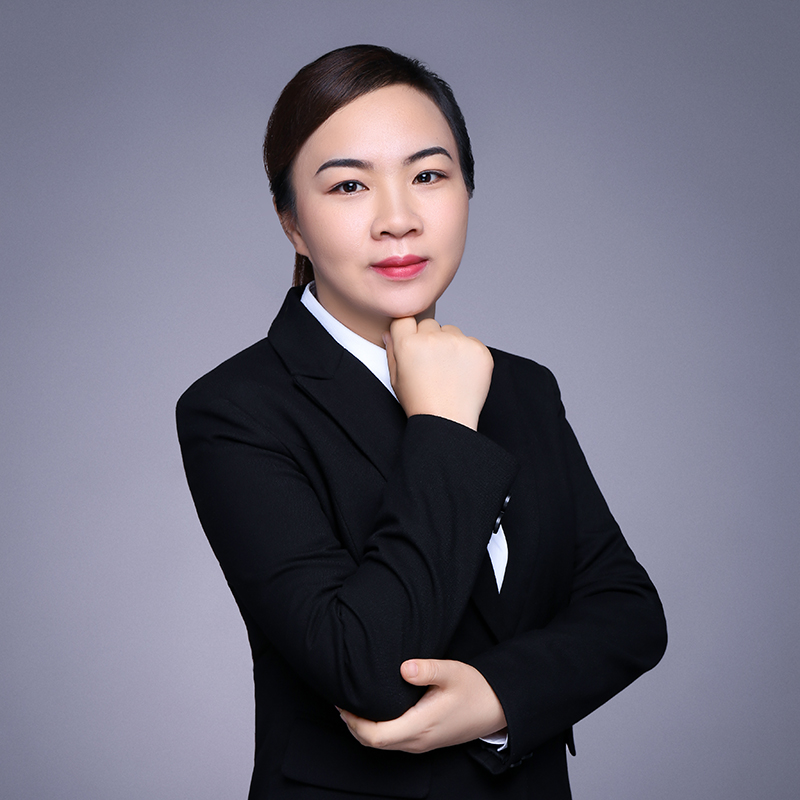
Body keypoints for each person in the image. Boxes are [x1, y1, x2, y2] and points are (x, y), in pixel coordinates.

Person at [176, 44, 667, 799]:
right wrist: (443, 427)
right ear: (292, 223)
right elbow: (365, 665)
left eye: (429, 175)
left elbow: (628, 613)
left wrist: (498, 697)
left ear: (468, 188)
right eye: (348, 185)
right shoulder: (235, 409)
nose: (398, 220)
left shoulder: (523, 387)